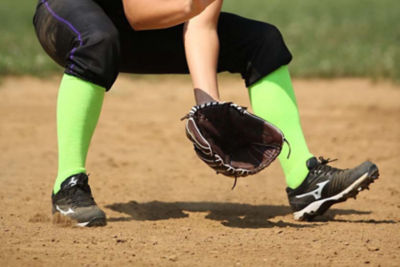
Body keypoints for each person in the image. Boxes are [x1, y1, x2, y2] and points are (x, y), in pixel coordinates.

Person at [33, 0, 379, 227]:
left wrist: (209, 110)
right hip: (69, 12)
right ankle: (68, 184)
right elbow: (137, 13)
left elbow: (200, 27)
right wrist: (190, 3)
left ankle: (306, 182)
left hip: (146, 27)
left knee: (261, 41)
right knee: (98, 39)